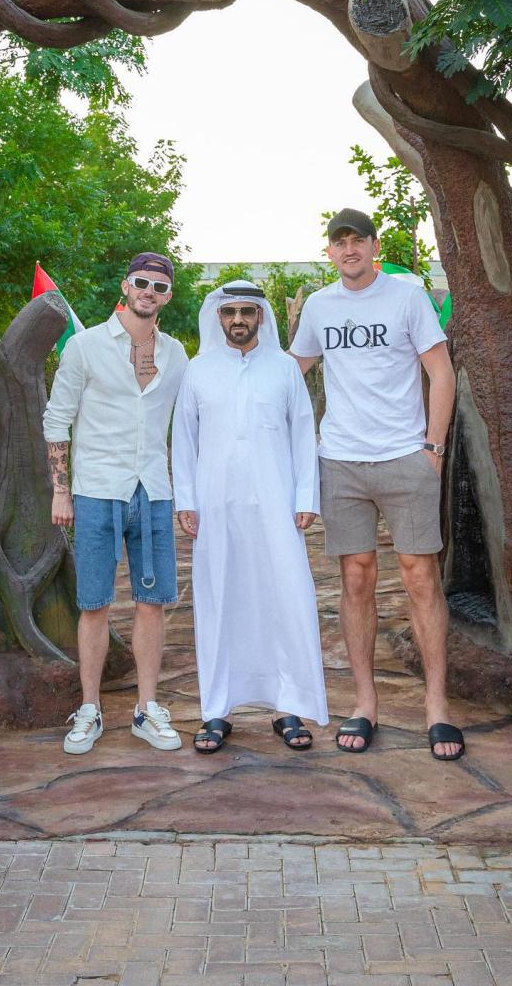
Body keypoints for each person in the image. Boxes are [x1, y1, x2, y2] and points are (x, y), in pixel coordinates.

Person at [290, 210, 463, 761]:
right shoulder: (319, 307)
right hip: (340, 461)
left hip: (404, 456)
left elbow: (441, 371)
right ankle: (366, 703)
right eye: (338, 243)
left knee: (419, 576)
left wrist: (433, 448)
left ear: (373, 246)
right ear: (330, 251)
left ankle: (437, 706)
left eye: (357, 241)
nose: (348, 251)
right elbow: (293, 370)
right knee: (356, 578)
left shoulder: (407, 297)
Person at [172, 281, 328, 754]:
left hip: (276, 504)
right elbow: (184, 439)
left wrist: (306, 496)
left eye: (247, 312)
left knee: (283, 599)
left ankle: (288, 707)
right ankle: (217, 711)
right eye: (230, 312)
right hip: (215, 508)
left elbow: (304, 433)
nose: (238, 319)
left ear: (261, 317)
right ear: (218, 318)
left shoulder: (283, 369)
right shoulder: (198, 371)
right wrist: (186, 500)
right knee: (219, 600)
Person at [43, 252, 188, 755]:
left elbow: (186, 426)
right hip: (97, 488)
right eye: (142, 282)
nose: (150, 291)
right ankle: (90, 708)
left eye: (160, 286)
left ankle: (148, 708)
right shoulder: (84, 348)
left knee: (153, 604)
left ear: (168, 296)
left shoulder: (176, 354)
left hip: (153, 489)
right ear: (126, 287)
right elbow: (56, 419)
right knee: (93, 604)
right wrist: (61, 489)